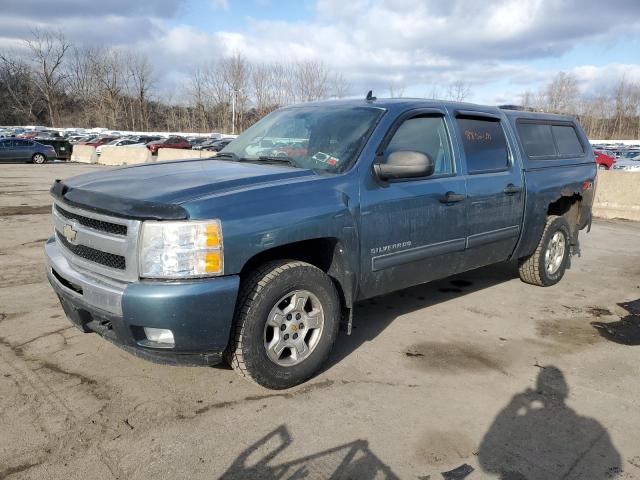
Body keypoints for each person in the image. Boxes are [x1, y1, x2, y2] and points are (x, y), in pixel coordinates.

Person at [478, 366, 621, 479]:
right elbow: (614, 464)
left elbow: (486, 461)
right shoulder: (591, 426)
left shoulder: (523, 423)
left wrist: (512, 406)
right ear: (566, 391)